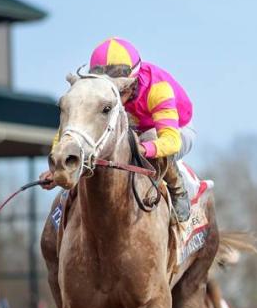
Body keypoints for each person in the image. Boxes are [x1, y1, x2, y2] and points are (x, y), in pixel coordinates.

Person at [40, 37, 194, 221]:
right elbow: (71, 131)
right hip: (131, 127)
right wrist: (58, 169)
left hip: (175, 129)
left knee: (148, 137)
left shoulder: (158, 88)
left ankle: (177, 190)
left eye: (121, 92)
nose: (116, 101)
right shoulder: (99, 94)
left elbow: (171, 141)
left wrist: (144, 149)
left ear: (133, 82)